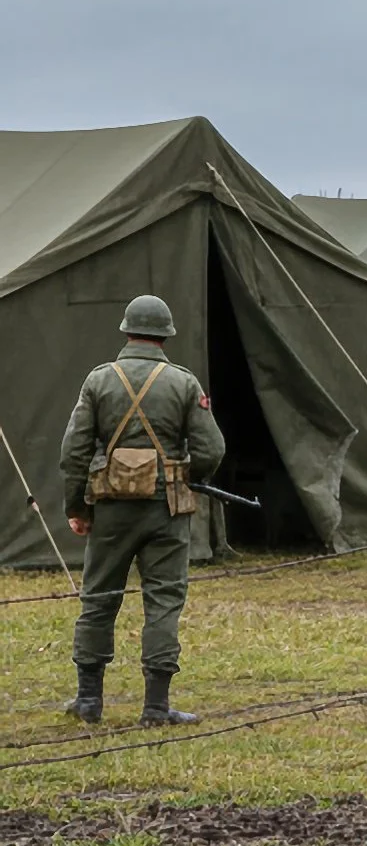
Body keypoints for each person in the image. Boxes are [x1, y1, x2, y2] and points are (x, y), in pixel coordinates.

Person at [57, 295, 226, 726]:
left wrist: (78, 506)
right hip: (166, 509)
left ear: (126, 330)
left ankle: (89, 700)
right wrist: (188, 475)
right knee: (164, 601)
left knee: (98, 598)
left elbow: (74, 451)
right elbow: (211, 448)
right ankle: (155, 707)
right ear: (166, 335)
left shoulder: (98, 381)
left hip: (110, 509)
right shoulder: (184, 383)